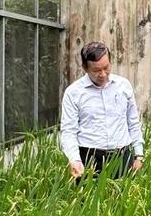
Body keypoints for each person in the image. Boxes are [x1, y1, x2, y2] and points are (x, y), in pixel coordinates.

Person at [60, 42, 144, 181]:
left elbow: (133, 123)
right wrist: (74, 159)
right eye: (97, 70)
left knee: (123, 201)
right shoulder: (73, 93)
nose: (103, 74)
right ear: (85, 68)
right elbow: (69, 131)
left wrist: (139, 155)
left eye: (106, 67)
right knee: (88, 201)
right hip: (89, 159)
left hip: (122, 157)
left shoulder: (123, 86)